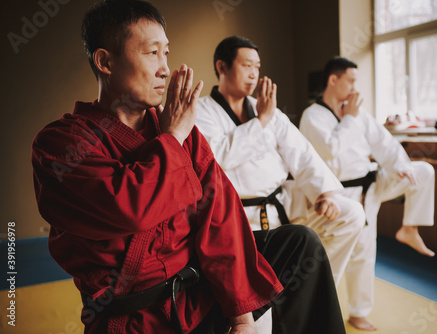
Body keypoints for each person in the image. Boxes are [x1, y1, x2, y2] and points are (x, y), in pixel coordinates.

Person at [32, 1, 346, 333]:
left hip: (198, 298)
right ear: (105, 61)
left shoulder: (180, 130)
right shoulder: (59, 144)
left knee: (299, 244)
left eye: (166, 54)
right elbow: (129, 208)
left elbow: (220, 211)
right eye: (152, 53)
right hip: (136, 317)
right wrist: (172, 137)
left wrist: (241, 316)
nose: (164, 69)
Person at [195, 36, 365, 287]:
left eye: (257, 66)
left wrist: (324, 193)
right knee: (260, 308)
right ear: (222, 67)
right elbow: (217, 157)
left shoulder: (265, 107)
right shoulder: (202, 111)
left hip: (281, 204)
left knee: (350, 213)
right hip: (238, 217)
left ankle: (312, 289)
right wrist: (260, 121)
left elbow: (301, 151)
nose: (254, 73)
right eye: (246, 65)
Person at [300, 56, 436, 330]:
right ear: (333, 80)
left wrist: (401, 166)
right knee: (356, 251)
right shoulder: (312, 116)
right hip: (340, 196)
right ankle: (338, 310)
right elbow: (331, 150)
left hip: (371, 185)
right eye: (350, 80)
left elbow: (383, 142)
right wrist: (349, 118)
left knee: (423, 172)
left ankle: (409, 228)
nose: (354, 87)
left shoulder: (357, 114)